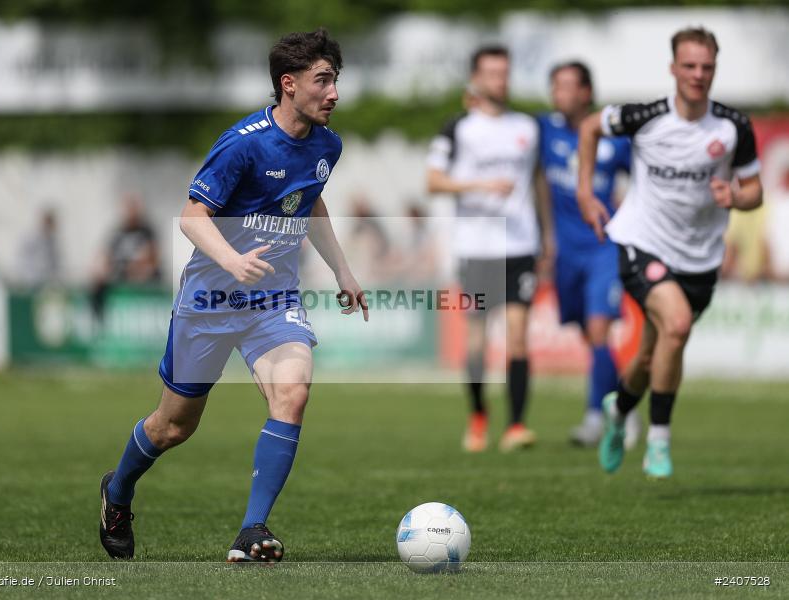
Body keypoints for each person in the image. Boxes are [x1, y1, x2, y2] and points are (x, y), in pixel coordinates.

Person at [99, 28, 367, 562]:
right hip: (211, 301)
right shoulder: (244, 142)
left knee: (293, 393)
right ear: (288, 84)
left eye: (335, 79)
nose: (334, 92)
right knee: (174, 427)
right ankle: (118, 490)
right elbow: (192, 216)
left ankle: (252, 530)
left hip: (273, 300)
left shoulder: (327, 145)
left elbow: (310, 202)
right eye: (323, 80)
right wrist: (232, 260)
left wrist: (343, 270)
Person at [576, 27, 762, 479]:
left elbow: (755, 189)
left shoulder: (733, 127)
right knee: (676, 326)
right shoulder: (645, 116)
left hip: (699, 258)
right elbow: (589, 126)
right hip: (642, 243)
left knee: (651, 356)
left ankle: (619, 409)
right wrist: (585, 192)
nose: (698, 74)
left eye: (706, 67)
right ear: (673, 68)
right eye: (689, 66)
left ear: (714, 70)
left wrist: (736, 197)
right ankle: (658, 440)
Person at [427, 45, 553, 453]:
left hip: (520, 245)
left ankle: (516, 425)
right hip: (476, 248)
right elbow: (433, 181)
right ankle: (478, 415)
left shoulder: (527, 127)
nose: (501, 80)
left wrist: (547, 234)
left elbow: (538, 181)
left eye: (505, 72)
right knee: (477, 341)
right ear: (476, 79)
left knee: (518, 338)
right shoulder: (458, 128)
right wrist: (480, 185)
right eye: (492, 73)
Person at [537, 61, 641, 448]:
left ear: (586, 92)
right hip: (565, 254)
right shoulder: (543, 130)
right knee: (590, 336)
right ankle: (622, 404)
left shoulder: (613, 138)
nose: (559, 93)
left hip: (603, 247)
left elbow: (643, 182)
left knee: (599, 330)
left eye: (566, 86)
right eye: (555, 86)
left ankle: (599, 416)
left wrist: (630, 222)